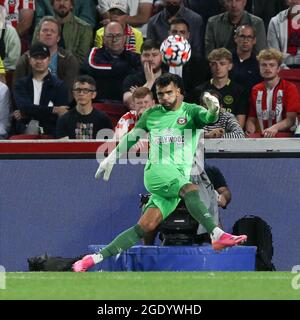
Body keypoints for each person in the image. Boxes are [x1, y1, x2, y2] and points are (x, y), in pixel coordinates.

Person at [72, 73, 247, 272]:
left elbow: (209, 117)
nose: (164, 97)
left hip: (176, 178)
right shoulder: (151, 114)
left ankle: (93, 259)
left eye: (168, 92)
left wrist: (214, 108)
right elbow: (133, 136)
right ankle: (216, 234)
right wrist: (112, 157)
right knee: (191, 189)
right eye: (160, 94)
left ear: (179, 91)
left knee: (143, 227)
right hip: (157, 173)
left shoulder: (192, 111)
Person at [12, 42, 70, 136]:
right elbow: (25, 107)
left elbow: (62, 115)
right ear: (29, 60)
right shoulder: (21, 84)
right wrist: (53, 110)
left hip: (50, 134)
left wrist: (27, 114)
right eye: (35, 58)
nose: (39, 61)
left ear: (49, 60)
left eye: (43, 57)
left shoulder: (60, 86)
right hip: (24, 132)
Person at [81, 21, 141, 102]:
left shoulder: (135, 57)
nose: (114, 39)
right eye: (109, 36)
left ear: (125, 38)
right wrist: (127, 68)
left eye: (118, 35)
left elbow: (141, 74)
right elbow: (93, 66)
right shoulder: (95, 52)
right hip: (99, 103)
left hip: (125, 105)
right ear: (103, 38)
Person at [189, 48, 249, 129]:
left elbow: (239, 125)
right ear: (210, 66)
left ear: (230, 66)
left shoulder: (240, 91)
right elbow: (193, 120)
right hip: (204, 136)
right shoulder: (199, 91)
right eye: (214, 64)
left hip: (230, 137)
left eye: (222, 64)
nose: (218, 67)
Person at [246, 48, 300, 137]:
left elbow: (291, 120)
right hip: (263, 137)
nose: (267, 68)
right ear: (259, 68)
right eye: (264, 65)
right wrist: (249, 133)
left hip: (286, 137)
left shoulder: (289, 88)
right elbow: (252, 118)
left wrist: (275, 128)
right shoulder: (255, 89)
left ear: (278, 69)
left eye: (271, 65)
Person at [56, 75, 113, 139]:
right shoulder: (63, 120)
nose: (81, 94)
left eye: (85, 90)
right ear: (73, 94)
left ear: (93, 94)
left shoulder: (104, 120)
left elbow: (107, 146)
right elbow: (63, 147)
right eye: (78, 90)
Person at [267, 0, 300, 68]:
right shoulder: (275, 21)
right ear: (287, 1)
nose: (296, 1)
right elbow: (274, 54)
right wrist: (285, 70)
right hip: (282, 67)